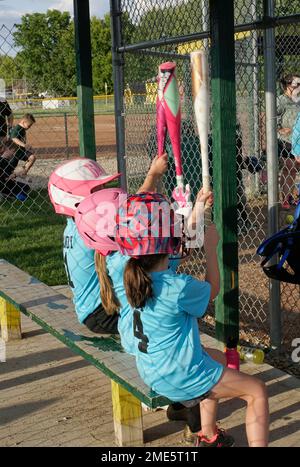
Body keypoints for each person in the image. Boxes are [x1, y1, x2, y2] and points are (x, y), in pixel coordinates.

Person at [111, 192, 269, 447]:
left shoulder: (129, 271)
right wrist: (211, 249)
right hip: (180, 377)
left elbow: (170, 255)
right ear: (169, 239)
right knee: (256, 391)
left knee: (216, 359)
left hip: (151, 369)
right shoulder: (177, 287)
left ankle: (207, 436)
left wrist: (198, 211)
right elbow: (213, 289)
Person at [48, 154, 169, 334]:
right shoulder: (93, 228)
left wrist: (153, 174)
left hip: (94, 309)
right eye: (97, 189)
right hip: (104, 314)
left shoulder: (77, 225)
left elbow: (130, 208)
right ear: (73, 198)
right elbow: (134, 212)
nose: (104, 191)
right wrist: (152, 176)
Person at [277, 74, 300, 209]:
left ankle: (290, 196)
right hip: (285, 141)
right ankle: (285, 198)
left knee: (293, 170)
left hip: (297, 140)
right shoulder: (281, 100)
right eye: (295, 84)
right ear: (287, 86)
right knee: (288, 168)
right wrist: (279, 129)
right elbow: (272, 116)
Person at [0, 113, 36, 200]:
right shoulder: (18, 128)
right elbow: (14, 138)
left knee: (32, 157)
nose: (30, 127)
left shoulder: (23, 129)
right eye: (29, 125)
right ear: (23, 122)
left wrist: (26, 149)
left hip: (19, 152)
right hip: (13, 155)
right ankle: (6, 190)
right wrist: (24, 145)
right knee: (8, 174)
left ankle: (23, 172)